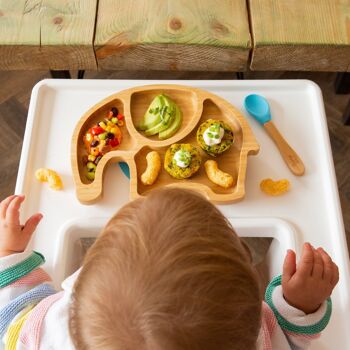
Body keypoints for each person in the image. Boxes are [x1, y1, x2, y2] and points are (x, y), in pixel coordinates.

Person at [0, 190, 339, 349]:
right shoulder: (252, 337)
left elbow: (11, 317)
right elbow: (288, 341)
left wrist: (10, 256)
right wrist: (296, 307)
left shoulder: (46, 337)